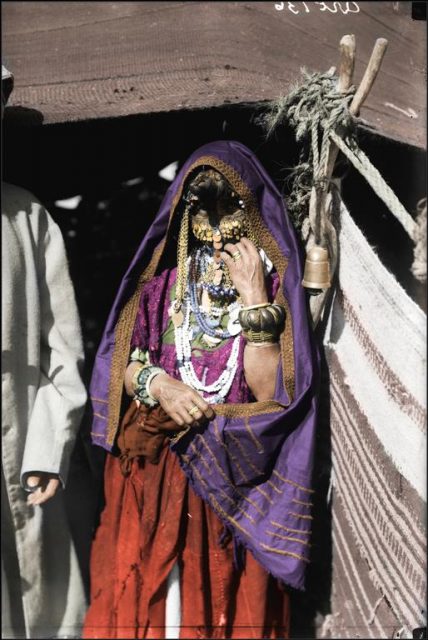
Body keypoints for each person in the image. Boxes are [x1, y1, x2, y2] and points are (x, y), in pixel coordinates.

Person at [83, 141, 319, 639]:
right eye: (202, 216)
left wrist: (254, 297)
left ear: (253, 211)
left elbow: (271, 392)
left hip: (234, 481)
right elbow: (121, 366)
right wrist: (158, 382)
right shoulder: (162, 286)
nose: (215, 238)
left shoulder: (275, 289)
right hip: (163, 476)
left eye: (229, 213)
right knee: (165, 609)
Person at [2, 65, 88, 638]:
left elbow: (64, 347)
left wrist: (47, 446)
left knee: (33, 605)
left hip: (17, 438)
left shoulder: (26, 216)